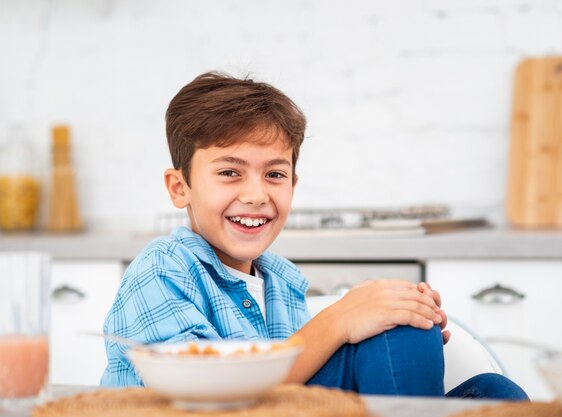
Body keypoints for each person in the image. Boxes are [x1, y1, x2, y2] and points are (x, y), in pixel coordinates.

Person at [101, 71, 527, 400]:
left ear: (293, 185)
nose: (255, 194)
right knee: (395, 329)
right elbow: (205, 393)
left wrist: (390, 333)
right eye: (229, 172)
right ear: (180, 187)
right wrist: (343, 318)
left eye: (274, 174)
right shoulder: (162, 267)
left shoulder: (282, 283)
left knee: (492, 391)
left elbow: (300, 389)